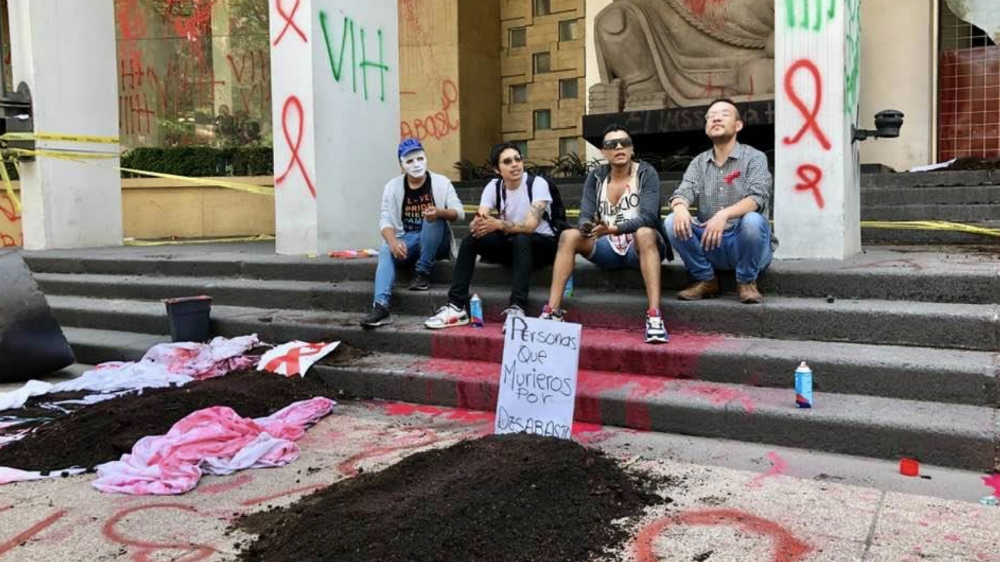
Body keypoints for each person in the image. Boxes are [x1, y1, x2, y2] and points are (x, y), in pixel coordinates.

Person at [540, 125, 671, 344]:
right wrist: (587, 227)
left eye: (624, 143)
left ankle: (655, 317)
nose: (619, 147)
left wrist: (614, 229)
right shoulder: (596, 176)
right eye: (612, 144)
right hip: (607, 246)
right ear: (603, 152)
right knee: (568, 236)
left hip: (637, 248)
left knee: (645, 233)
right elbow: (585, 215)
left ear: (632, 150)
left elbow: (649, 217)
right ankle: (552, 311)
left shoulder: (646, 173)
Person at [425, 142, 557, 330]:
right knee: (472, 239)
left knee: (522, 238)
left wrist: (498, 224)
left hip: (542, 246)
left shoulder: (537, 184)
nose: (515, 164)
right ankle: (456, 306)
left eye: (518, 159)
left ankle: (517, 308)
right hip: (513, 245)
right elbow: (481, 216)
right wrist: (477, 224)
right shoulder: (494, 187)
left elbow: (529, 226)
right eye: (507, 161)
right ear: (497, 169)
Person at [665, 98, 776, 304]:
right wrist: (679, 206)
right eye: (711, 116)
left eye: (724, 114)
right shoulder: (698, 162)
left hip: (746, 245)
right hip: (711, 242)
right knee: (672, 220)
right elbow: (684, 190)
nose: (716, 118)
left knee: (752, 220)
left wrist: (724, 214)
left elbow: (757, 197)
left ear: (738, 125)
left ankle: (747, 281)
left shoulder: (755, 157)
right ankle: (706, 279)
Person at [360, 138, 464, 328]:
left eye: (420, 159)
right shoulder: (392, 187)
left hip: (436, 241)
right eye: (409, 161)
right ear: (402, 165)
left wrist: (439, 212)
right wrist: (393, 242)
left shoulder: (441, 182)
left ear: (425, 158)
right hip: (408, 240)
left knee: (432, 219)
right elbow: (385, 219)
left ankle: (422, 273)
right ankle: (381, 306)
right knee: (385, 248)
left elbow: (460, 213)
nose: (416, 164)